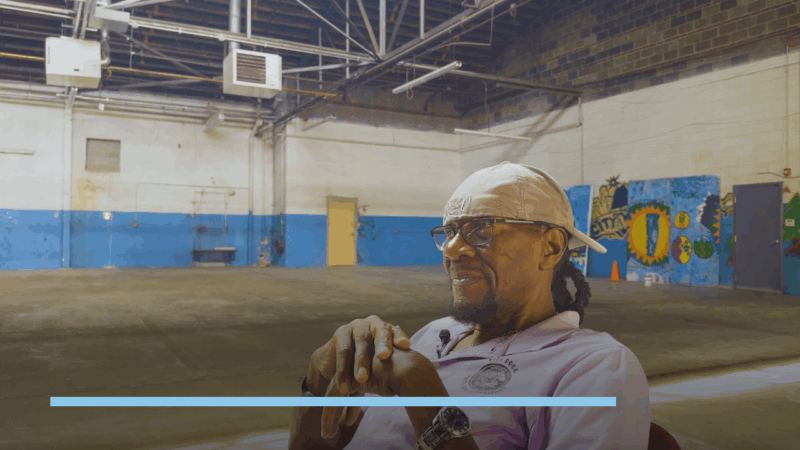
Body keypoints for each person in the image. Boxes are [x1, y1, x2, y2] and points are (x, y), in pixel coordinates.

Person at [289, 162, 651, 450]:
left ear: (551, 247)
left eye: (481, 230)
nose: (451, 251)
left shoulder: (594, 366)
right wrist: (317, 382)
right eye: (449, 232)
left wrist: (421, 389)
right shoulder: (430, 336)